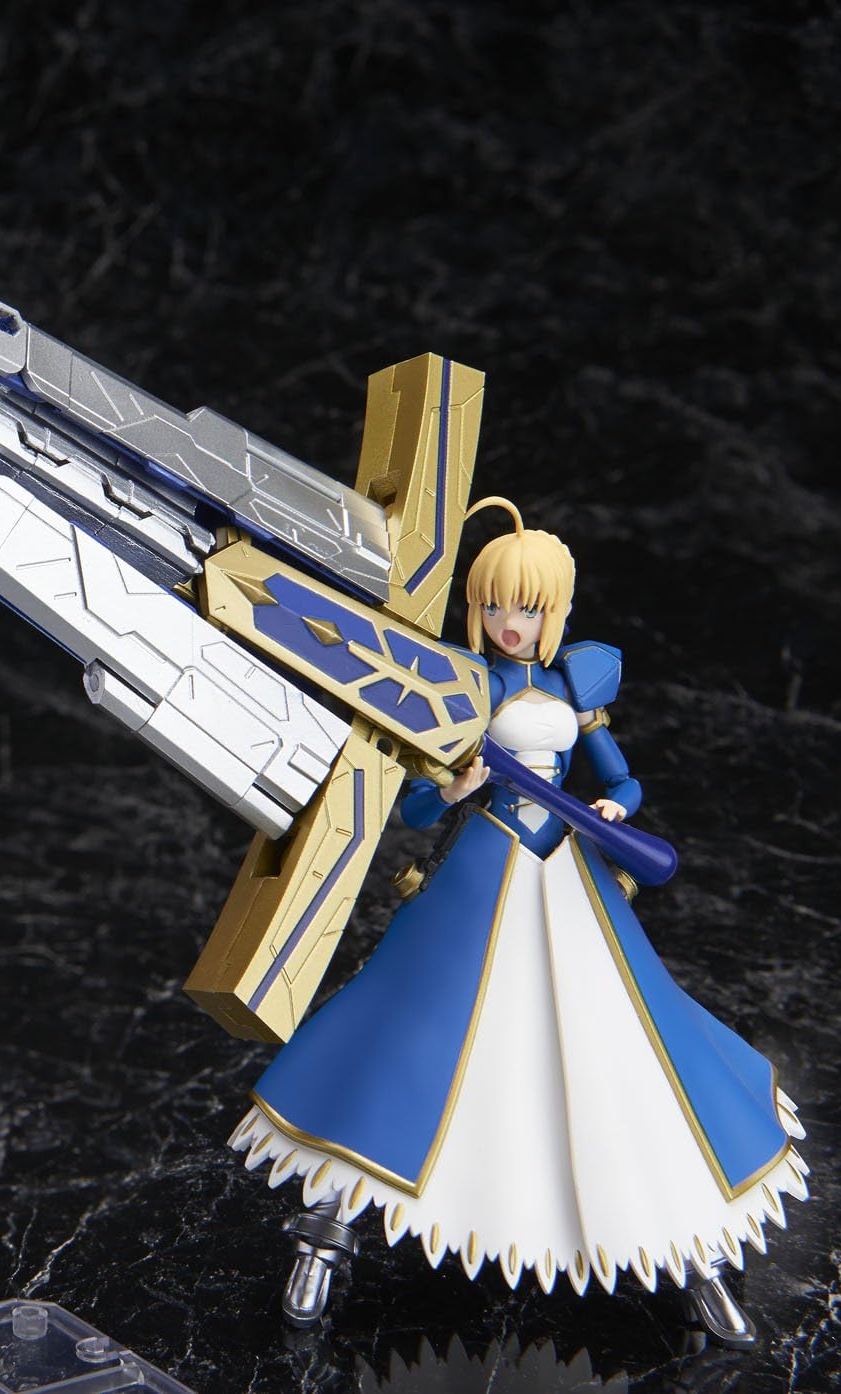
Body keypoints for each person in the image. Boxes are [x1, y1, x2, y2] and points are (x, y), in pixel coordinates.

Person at [226, 498, 807, 1346]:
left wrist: (612, 806)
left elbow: (622, 777)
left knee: (627, 1042)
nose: (509, 621)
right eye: (495, 604)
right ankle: (326, 1230)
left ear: (554, 611)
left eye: (527, 608)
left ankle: (696, 1253)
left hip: (569, 870)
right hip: (483, 868)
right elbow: (416, 807)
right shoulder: (461, 682)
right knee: (410, 1034)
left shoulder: (575, 682)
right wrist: (456, 786)